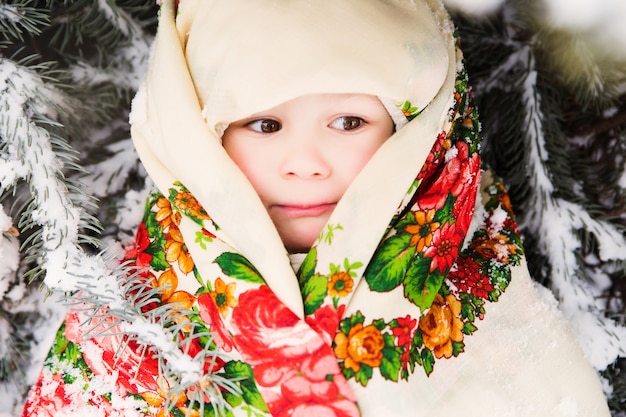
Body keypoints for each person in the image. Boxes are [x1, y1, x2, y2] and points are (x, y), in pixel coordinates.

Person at [21, 0, 611, 416]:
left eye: (349, 121)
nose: (305, 163)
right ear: (196, 135)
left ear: (422, 126)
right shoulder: (131, 330)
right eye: (264, 123)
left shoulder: (482, 303)